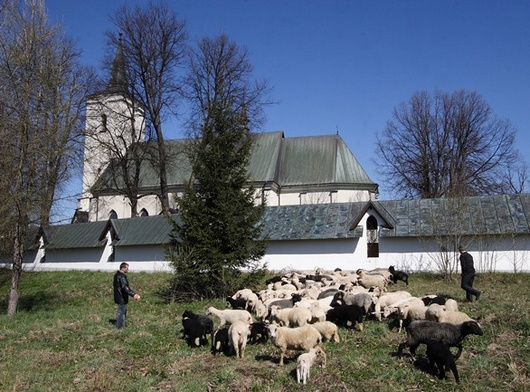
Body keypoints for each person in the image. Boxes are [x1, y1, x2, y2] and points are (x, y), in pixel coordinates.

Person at [113, 262, 140, 329]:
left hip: (118, 297)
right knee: (122, 313)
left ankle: (119, 326)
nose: (128, 269)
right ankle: (120, 328)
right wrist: (134, 295)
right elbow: (125, 287)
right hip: (122, 297)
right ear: (123, 268)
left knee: (121, 312)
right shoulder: (122, 276)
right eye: (127, 268)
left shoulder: (116, 275)